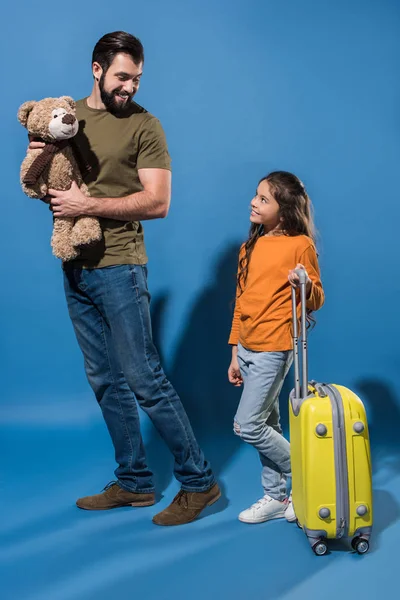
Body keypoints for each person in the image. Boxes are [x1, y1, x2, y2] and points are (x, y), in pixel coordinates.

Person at [29, 31, 220, 526]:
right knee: (104, 381)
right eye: (121, 77)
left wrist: (87, 204)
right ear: (97, 70)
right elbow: (40, 170)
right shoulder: (66, 113)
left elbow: (158, 202)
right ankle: (135, 482)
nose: (129, 87)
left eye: (135, 78)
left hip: (120, 265)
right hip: (75, 266)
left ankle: (200, 483)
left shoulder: (145, 126)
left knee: (143, 378)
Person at [227, 171, 324, 524]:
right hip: (249, 348)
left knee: (247, 425)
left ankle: (310, 477)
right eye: (256, 195)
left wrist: (302, 282)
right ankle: (276, 497)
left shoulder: (300, 246)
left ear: (283, 211)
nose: (254, 202)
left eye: (264, 199)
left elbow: (317, 298)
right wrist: (235, 352)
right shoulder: (248, 247)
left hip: (274, 347)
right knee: (268, 423)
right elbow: (241, 301)